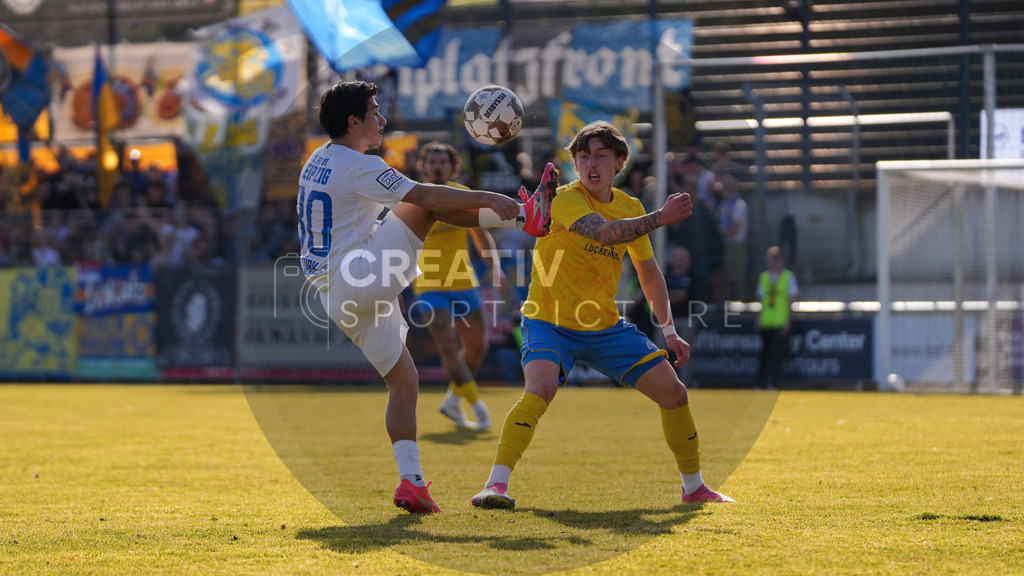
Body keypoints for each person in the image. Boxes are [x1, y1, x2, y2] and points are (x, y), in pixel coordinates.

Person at [296, 80, 552, 514]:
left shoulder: (317, 159)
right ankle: (526, 217)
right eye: (375, 111)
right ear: (353, 121)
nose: (382, 118)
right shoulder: (359, 164)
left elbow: (358, 221)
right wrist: (494, 198)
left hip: (335, 294)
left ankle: (411, 483)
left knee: (405, 382)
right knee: (424, 204)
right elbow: (425, 197)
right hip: (358, 276)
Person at [471, 121, 734, 510]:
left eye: (601, 156)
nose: (591, 164)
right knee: (540, 389)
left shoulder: (631, 206)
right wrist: (661, 217)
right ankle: (496, 485)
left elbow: (648, 272)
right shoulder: (563, 199)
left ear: (619, 162)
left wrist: (670, 331)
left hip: (604, 326)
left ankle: (694, 487)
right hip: (549, 320)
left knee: (675, 394)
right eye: (583, 157)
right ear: (575, 164)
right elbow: (606, 233)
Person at [411, 141, 503, 431]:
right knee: (449, 347)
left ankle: (452, 401)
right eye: (432, 161)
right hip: (428, 286)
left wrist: (495, 267)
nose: (437, 166)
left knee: (477, 347)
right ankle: (479, 409)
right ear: (423, 167)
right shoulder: (414, 198)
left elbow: (480, 236)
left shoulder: (464, 195)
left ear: (453, 167)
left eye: (442, 162)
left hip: (464, 282)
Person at [755, 246, 799, 390]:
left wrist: (788, 321)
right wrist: (759, 320)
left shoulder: (788, 277)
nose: (773, 262)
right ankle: (760, 384)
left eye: (775, 258)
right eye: (770, 258)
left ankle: (775, 383)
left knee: (778, 356)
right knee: (765, 354)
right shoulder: (764, 277)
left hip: (780, 321)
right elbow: (761, 302)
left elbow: (792, 300)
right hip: (767, 321)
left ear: (781, 260)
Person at [715, 174, 748, 303]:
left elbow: (736, 229)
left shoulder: (739, 205)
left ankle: (741, 302)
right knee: (726, 276)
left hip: (736, 245)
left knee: (737, 276)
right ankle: (727, 304)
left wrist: (722, 232)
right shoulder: (723, 205)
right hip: (725, 244)